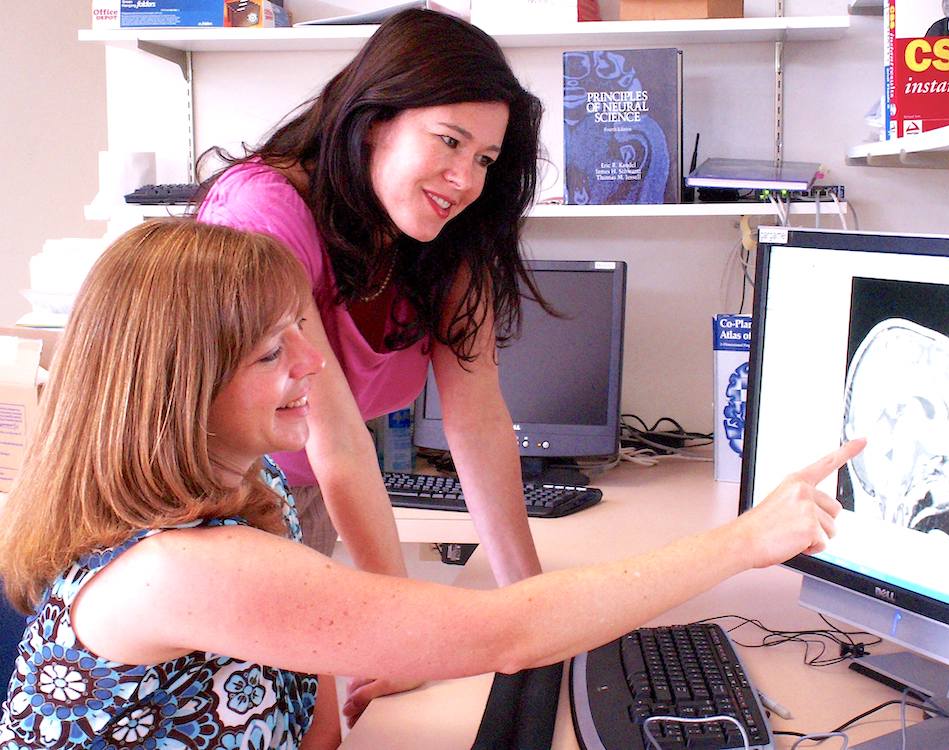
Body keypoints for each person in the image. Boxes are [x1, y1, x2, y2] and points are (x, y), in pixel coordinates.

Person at [0, 219, 862, 749]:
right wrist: (745, 540)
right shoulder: (180, 568)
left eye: (302, 328)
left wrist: (384, 640)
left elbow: (314, 721)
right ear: (175, 387)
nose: (313, 363)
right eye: (272, 352)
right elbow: (511, 635)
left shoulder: (246, 486)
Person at [196, 8, 549, 717]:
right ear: (373, 119)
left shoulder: (448, 234)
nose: (464, 178)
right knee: (267, 717)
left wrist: (535, 607)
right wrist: (403, 637)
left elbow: (476, 416)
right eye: (448, 141)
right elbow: (332, 435)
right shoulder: (264, 214)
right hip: (213, 504)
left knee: (329, 712)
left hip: (315, 491)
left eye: (483, 158)